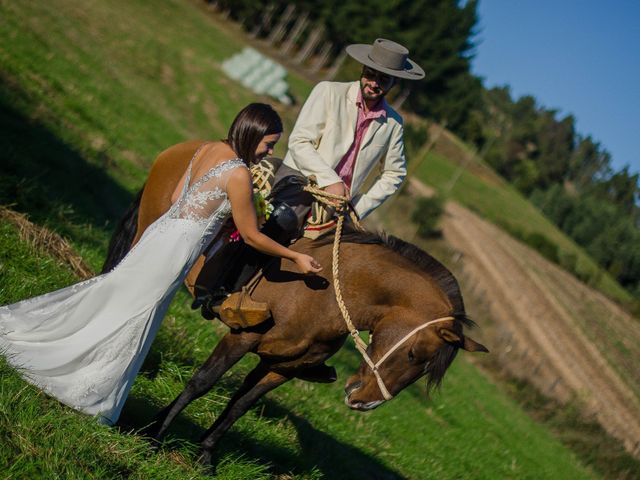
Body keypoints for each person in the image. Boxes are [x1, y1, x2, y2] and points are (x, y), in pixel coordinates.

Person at [0, 103, 322, 425]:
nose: (270, 152)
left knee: (117, 295)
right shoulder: (239, 174)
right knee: (138, 314)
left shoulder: (208, 149)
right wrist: (295, 256)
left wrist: (214, 214)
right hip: (177, 251)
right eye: (269, 144)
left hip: (161, 234)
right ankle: (85, 382)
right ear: (253, 135)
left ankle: (65, 350)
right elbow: (251, 236)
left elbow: (175, 198)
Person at [272, 37, 425, 227]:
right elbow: (300, 142)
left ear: (394, 83)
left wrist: (359, 207)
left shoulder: (393, 123)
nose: (374, 83)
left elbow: (395, 173)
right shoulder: (329, 91)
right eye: (371, 74)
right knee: (277, 229)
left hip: (339, 207)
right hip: (299, 183)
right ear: (363, 70)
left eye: (384, 79)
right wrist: (330, 181)